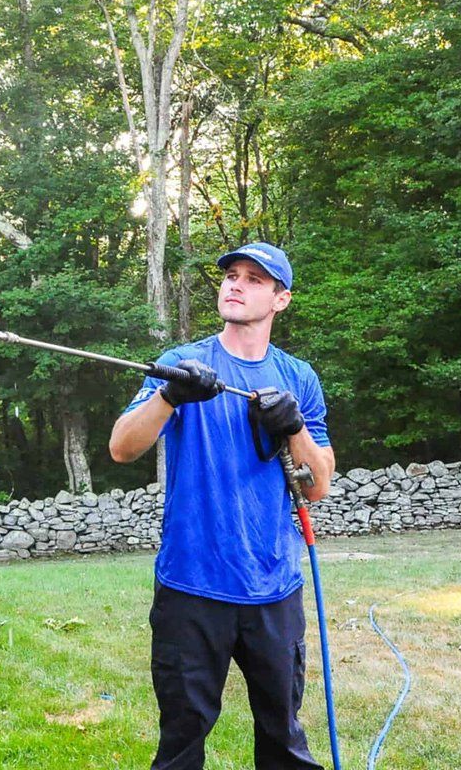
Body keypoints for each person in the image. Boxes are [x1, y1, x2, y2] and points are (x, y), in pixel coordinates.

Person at [108, 242, 336, 770]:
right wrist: (170, 396)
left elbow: (317, 484)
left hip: (273, 584)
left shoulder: (298, 378)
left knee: (283, 735)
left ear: (282, 300)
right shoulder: (180, 366)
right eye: (231, 275)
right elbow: (122, 447)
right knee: (182, 739)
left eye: (255, 280)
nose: (235, 284)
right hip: (190, 584)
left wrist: (293, 426)